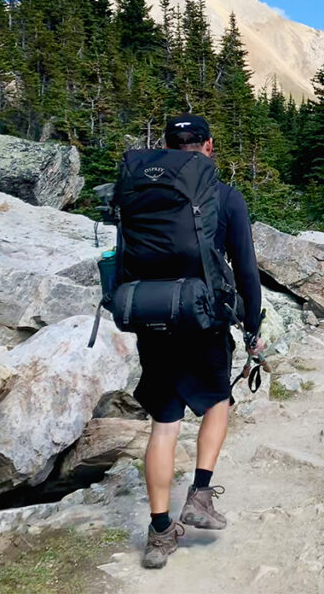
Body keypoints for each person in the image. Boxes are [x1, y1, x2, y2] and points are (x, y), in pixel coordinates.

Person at [131, 114, 264, 569]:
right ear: (208, 146)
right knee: (217, 402)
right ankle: (200, 495)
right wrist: (252, 328)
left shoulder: (141, 193)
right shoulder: (224, 196)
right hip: (204, 320)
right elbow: (246, 269)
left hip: (152, 317)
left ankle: (159, 533)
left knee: (164, 424)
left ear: (167, 148)